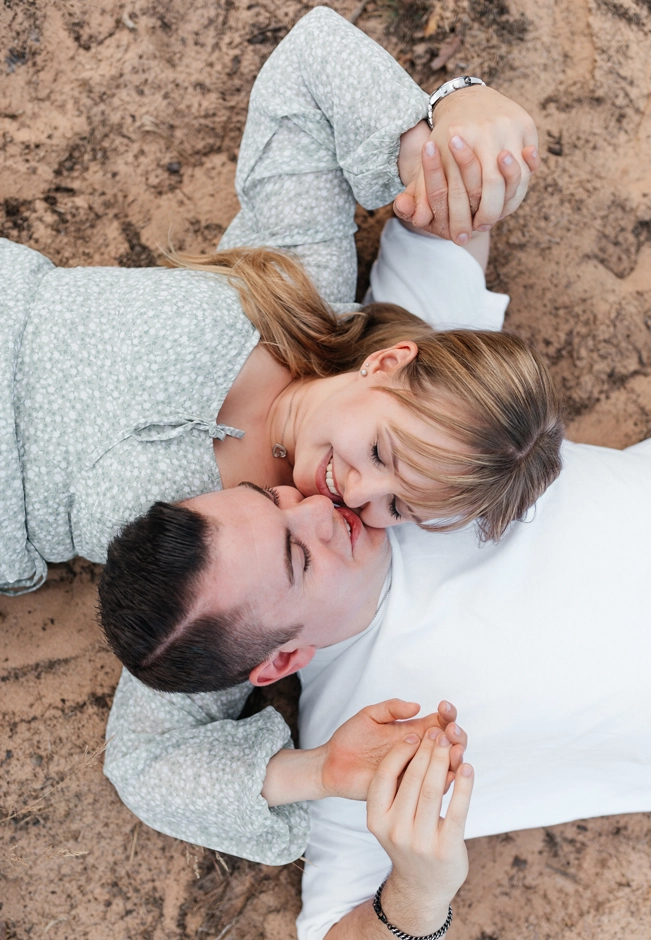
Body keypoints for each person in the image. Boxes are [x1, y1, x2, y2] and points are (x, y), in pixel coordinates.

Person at [0, 6, 557, 603]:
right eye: (379, 451)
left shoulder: (281, 562)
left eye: (397, 505)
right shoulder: (298, 290)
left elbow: (184, 666)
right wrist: (429, 131)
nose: (359, 492)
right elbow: (310, 61)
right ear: (387, 363)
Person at [100, 430, 651, 940]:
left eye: (276, 499)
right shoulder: (368, 746)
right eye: (299, 559)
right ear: (282, 661)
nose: (322, 508)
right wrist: (421, 891)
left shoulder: (381, 449)